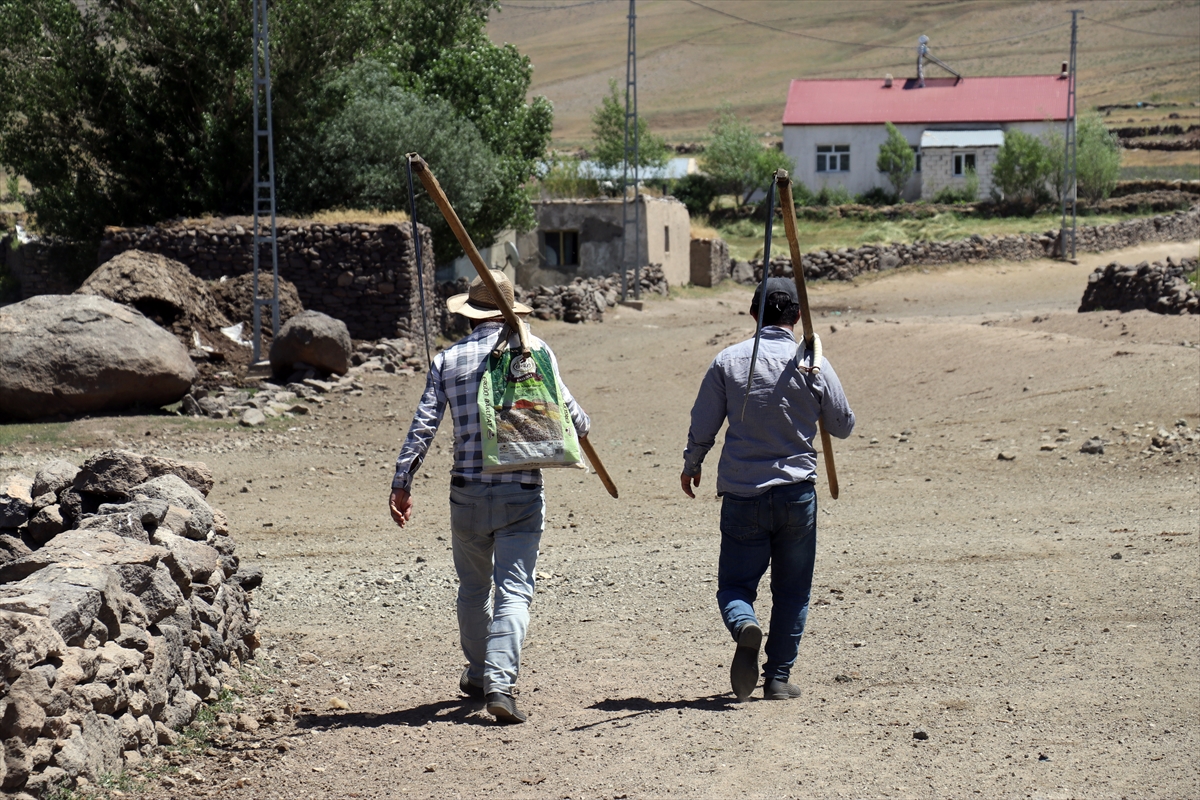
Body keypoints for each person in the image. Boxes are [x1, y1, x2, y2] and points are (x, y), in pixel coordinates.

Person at [390, 270, 590, 724]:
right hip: (522, 490)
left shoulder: (449, 360)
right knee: (515, 589)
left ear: (470, 315)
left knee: (474, 587)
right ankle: (500, 683)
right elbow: (575, 421)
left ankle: (480, 672)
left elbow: (424, 425)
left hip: (467, 493)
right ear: (511, 312)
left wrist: (403, 480)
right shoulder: (535, 352)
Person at [679, 277, 855, 701]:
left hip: (743, 494)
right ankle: (777, 677)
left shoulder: (728, 360)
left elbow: (704, 422)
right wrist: (817, 377)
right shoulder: (813, 363)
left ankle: (744, 624)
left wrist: (692, 462)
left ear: (753, 314)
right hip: (797, 495)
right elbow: (843, 425)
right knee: (793, 590)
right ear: (796, 317)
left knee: (735, 587)